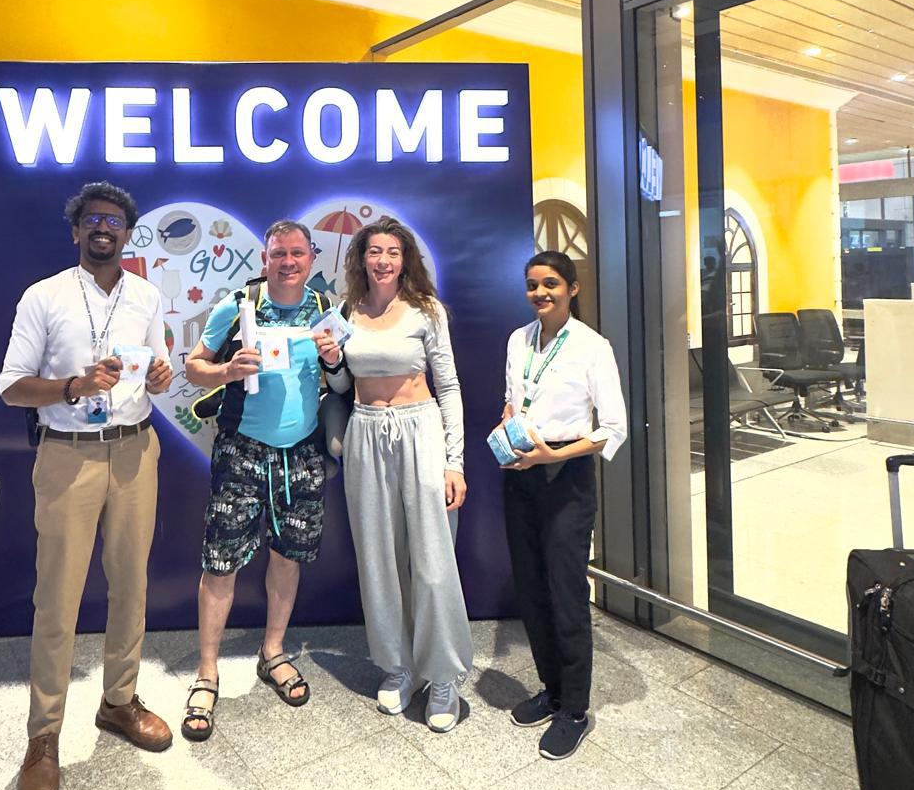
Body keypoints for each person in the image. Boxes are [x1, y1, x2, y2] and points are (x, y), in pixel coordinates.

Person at [0, 180, 175, 790]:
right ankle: (43, 736)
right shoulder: (44, 296)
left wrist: (161, 374)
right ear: (76, 231)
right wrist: (73, 386)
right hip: (67, 455)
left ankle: (118, 701)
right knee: (58, 597)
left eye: (115, 221)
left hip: (135, 449)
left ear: (127, 233)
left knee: (131, 584)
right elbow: (12, 387)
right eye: (93, 219)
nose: (104, 228)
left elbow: (158, 368)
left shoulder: (146, 295)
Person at [180, 220, 342, 740]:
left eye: (297, 253)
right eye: (278, 254)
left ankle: (272, 651)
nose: (288, 262)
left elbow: (343, 381)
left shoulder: (327, 311)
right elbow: (193, 367)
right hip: (241, 451)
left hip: (303, 452)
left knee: (288, 557)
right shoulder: (236, 306)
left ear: (311, 258)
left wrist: (335, 359)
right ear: (265, 259)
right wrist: (227, 371)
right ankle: (207, 672)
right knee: (220, 562)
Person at [320, 217, 473, 732]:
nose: (383, 260)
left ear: (405, 259)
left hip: (420, 431)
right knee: (379, 559)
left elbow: (448, 386)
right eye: (374, 252)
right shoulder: (347, 311)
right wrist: (331, 361)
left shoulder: (427, 310)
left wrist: (455, 461)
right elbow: (342, 387)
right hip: (365, 432)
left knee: (432, 559)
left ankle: (443, 674)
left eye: (392, 252)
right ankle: (399, 666)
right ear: (361, 259)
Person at [499, 250, 627, 761]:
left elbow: (612, 427)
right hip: (521, 471)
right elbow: (514, 399)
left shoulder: (593, 347)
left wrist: (554, 455)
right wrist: (507, 424)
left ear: (572, 289)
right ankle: (551, 691)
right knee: (531, 589)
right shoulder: (518, 339)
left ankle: (574, 709)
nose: (540, 293)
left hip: (565, 474)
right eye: (533, 284)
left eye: (551, 283)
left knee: (566, 592)